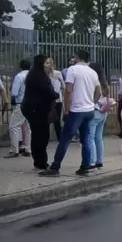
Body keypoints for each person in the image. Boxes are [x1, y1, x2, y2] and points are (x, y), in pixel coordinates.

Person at [39, 49, 100, 177]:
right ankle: (85, 166)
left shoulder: (72, 70)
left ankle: (55, 167)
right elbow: (98, 92)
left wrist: (67, 109)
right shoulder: (93, 72)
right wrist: (92, 103)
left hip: (76, 110)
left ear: (77, 57)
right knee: (86, 139)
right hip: (89, 110)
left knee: (65, 139)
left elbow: (68, 91)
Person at [21, 55, 60, 170]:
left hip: (33, 109)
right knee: (41, 136)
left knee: (37, 135)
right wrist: (56, 94)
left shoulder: (35, 75)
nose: (49, 66)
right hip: (37, 110)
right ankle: (41, 161)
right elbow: (48, 93)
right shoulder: (39, 77)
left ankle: (39, 161)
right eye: (46, 63)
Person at [4, 59, 32, 158]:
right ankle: (28, 148)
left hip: (20, 103)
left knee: (13, 126)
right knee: (28, 127)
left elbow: (14, 92)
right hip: (31, 104)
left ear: (20, 66)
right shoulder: (32, 76)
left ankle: (14, 149)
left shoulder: (19, 76)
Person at [88, 62, 112, 168]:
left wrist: (92, 103)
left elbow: (95, 95)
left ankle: (91, 161)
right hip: (103, 112)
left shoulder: (93, 82)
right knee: (98, 138)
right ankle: (99, 160)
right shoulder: (104, 83)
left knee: (90, 138)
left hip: (95, 111)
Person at [46, 57, 65, 140]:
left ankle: (59, 138)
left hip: (57, 100)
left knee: (56, 121)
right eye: (46, 63)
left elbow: (63, 86)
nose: (47, 65)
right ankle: (46, 139)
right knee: (46, 121)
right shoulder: (43, 74)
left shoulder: (57, 73)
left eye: (48, 63)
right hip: (47, 100)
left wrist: (63, 97)